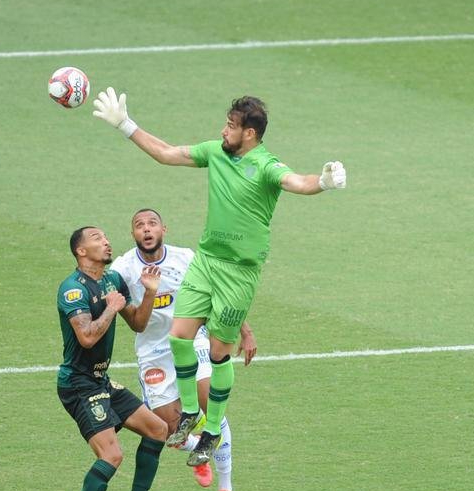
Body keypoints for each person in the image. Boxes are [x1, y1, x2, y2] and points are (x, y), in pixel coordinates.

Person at [93, 90, 346, 467]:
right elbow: (166, 153)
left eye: (230, 126)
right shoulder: (216, 152)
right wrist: (125, 125)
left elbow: (297, 182)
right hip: (206, 261)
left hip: (238, 273)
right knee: (180, 336)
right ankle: (191, 414)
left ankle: (211, 430)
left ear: (250, 133)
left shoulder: (265, 166)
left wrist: (323, 181)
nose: (223, 131)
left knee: (217, 353)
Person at [110, 208, 257, 491]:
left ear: (164, 228)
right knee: (167, 428)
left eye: (152, 224)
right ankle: (197, 450)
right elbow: (136, 324)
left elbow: (220, 293)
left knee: (208, 402)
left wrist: (244, 331)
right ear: (133, 234)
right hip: (153, 352)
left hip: (193, 340)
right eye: (139, 226)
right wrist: (149, 292)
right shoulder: (122, 269)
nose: (147, 230)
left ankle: (226, 488)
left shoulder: (186, 258)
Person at [57, 225, 169, 491]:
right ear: (81, 251)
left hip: (100, 381)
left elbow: (138, 323)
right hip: (78, 385)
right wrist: (110, 309)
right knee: (112, 454)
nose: (106, 242)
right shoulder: (73, 290)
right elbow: (87, 338)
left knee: (158, 429)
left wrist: (149, 293)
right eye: (97, 239)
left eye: (105, 237)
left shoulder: (112, 279)